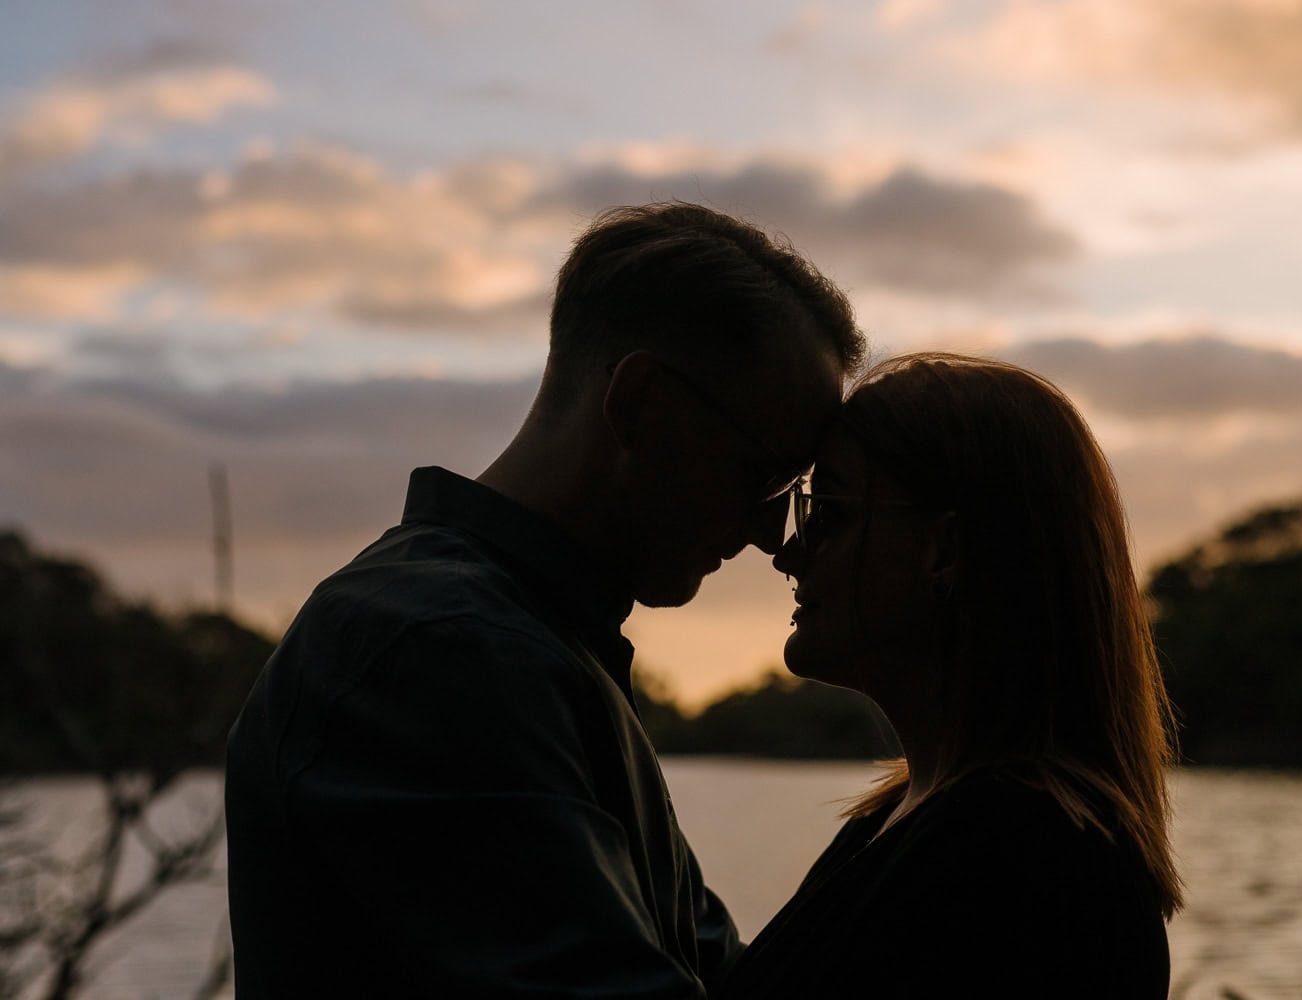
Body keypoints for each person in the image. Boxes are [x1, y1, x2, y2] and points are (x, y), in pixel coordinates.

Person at [224, 201, 866, 998]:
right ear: (639, 406)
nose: (775, 538)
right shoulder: (440, 650)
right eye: (761, 476)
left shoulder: (531, 644)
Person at [719, 353, 1183, 999]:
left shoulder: (1023, 862)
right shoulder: (903, 826)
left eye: (829, 512)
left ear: (945, 552)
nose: (789, 554)